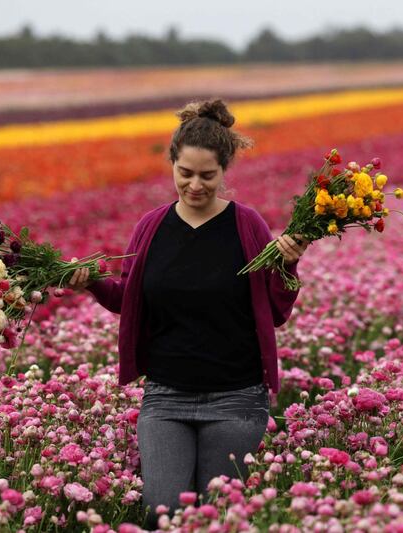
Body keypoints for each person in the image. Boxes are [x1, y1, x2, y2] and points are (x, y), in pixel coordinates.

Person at [66, 98, 309, 529]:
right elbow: (130, 299)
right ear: (172, 165)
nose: (195, 185)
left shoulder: (247, 225)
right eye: (186, 173)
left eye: (207, 176)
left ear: (224, 172)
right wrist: (91, 283)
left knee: (217, 521)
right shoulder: (151, 226)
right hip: (165, 398)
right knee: (164, 516)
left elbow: (274, 311)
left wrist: (287, 264)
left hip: (236, 399)